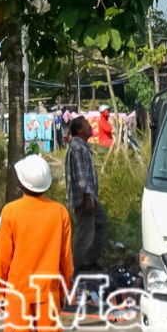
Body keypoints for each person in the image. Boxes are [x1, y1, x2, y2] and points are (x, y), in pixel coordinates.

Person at [0, 154, 73, 332]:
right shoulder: (60, 213)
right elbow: (66, 260)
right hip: (48, 294)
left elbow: (2, 258)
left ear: (21, 182)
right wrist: (64, 291)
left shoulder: (10, 212)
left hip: (17, 294)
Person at [65, 115, 107, 294]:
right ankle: (74, 269)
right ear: (80, 130)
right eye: (87, 125)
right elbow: (82, 178)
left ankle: (91, 261)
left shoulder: (82, 147)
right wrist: (88, 199)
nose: (91, 127)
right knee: (85, 233)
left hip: (90, 197)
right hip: (85, 199)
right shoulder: (78, 149)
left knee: (101, 224)